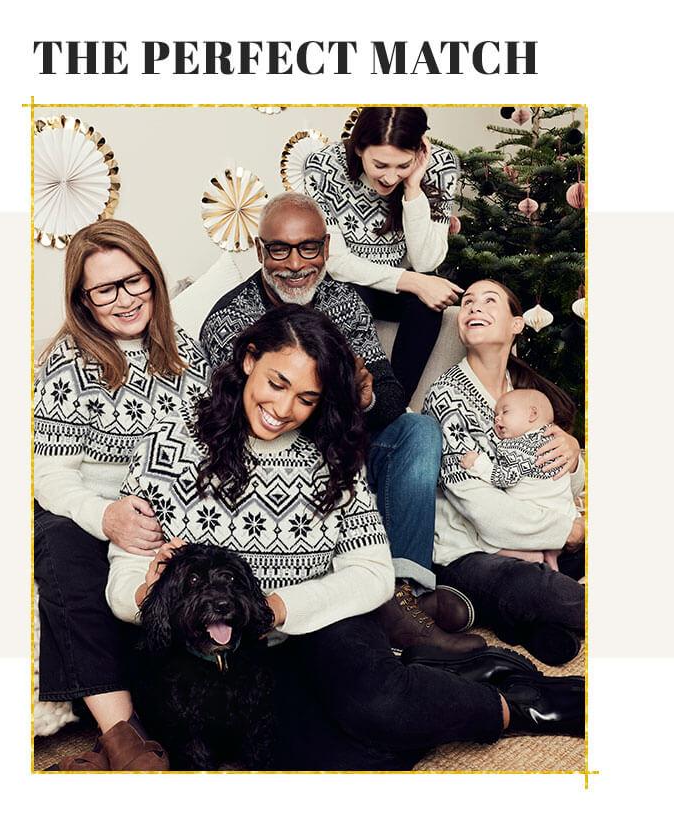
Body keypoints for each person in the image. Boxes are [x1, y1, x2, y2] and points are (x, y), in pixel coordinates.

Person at [107, 305, 585, 771]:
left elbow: (374, 574)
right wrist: (146, 596)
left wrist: (278, 608)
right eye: (277, 383)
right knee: (345, 758)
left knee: (381, 709)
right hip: (222, 653)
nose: (283, 409)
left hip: (319, 620)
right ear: (250, 360)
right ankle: (447, 677)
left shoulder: (330, 451)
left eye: (307, 398)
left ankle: (524, 705)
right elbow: (125, 572)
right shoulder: (169, 441)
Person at [200, 191, 484, 654]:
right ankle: (397, 609)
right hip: (284, 468)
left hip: (351, 445)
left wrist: (369, 396)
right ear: (259, 251)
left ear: (327, 248)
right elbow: (230, 422)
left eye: (309, 247)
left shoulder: (343, 303)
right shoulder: (230, 322)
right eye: (280, 249)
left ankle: (403, 590)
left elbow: (391, 397)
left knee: (419, 431)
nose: (295, 264)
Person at [33, 219, 210, 770]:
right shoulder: (67, 362)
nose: (125, 298)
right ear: (83, 300)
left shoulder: (190, 354)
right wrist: (105, 516)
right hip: (91, 510)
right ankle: (123, 736)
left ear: (152, 277)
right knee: (60, 543)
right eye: (105, 289)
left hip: (174, 511)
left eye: (135, 281)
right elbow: (53, 479)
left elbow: (214, 451)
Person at [423, 279, 585, 666]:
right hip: (472, 551)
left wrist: (574, 457)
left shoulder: (530, 395)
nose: (474, 307)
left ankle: (527, 622)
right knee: (528, 584)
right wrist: (567, 531)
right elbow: (481, 511)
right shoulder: (445, 396)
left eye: (489, 301)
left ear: (516, 324)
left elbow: (564, 486)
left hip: (540, 536)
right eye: (467, 303)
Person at [303, 106, 464, 401]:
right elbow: (336, 262)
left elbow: (427, 262)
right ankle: (348, 402)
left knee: (427, 306)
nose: (391, 178)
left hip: (399, 290)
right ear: (359, 147)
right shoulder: (323, 166)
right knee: (351, 300)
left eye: (402, 166)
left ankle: (392, 405)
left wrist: (413, 187)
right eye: (380, 165)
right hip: (348, 283)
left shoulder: (440, 165)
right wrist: (414, 281)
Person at [460, 388, 580, 571]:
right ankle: (552, 557)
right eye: (495, 416)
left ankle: (530, 555)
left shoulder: (517, 446)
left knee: (482, 539)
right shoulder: (556, 440)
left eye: (505, 412)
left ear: (532, 414)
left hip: (538, 521)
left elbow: (505, 477)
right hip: (565, 514)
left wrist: (478, 463)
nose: (497, 419)